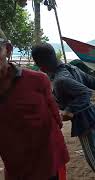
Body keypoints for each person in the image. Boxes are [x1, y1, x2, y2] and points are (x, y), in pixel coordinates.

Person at [32, 43, 95, 180]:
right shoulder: (72, 67)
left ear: (42, 65)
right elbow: (93, 82)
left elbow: (85, 92)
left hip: (86, 124)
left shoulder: (60, 80)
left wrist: (70, 110)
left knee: (94, 159)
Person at [0, 34, 69, 179]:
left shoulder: (38, 80)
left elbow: (57, 119)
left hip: (48, 164)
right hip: (16, 169)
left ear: (8, 49)